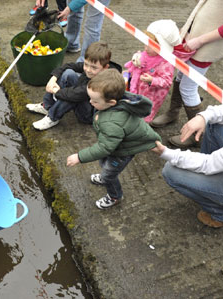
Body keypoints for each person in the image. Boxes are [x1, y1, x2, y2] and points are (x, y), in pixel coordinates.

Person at [150, 0, 223, 148]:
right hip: (195, 36)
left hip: (208, 43)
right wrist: (188, 29)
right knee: (181, 75)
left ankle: (197, 135)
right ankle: (173, 113)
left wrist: (200, 40)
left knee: (188, 87)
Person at [151, 80, 223, 228]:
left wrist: (167, 153)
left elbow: (208, 163)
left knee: (171, 171)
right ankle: (210, 183)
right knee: (215, 123)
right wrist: (203, 117)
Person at [66, 69, 161, 209]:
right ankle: (105, 175)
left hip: (122, 152)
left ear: (111, 102)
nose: (90, 102)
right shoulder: (119, 102)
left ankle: (115, 196)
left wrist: (80, 157)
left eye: (95, 101)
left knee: (110, 174)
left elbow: (105, 148)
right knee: (104, 162)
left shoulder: (112, 122)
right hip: (115, 145)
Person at [26, 42, 121, 130]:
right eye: (86, 64)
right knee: (68, 73)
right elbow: (68, 65)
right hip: (83, 94)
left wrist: (57, 92)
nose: (88, 70)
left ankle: (52, 117)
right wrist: (53, 79)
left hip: (88, 114)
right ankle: (46, 106)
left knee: (72, 95)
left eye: (93, 68)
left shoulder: (105, 82)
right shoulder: (94, 66)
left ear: (105, 68)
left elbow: (78, 93)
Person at [124, 20, 182, 123]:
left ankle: (143, 126)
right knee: (136, 105)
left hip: (153, 95)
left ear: (162, 47)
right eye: (145, 44)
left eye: (150, 46)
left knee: (146, 112)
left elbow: (167, 81)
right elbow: (139, 65)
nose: (145, 48)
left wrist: (152, 80)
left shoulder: (166, 63)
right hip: (139, 88)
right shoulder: (146, 54)